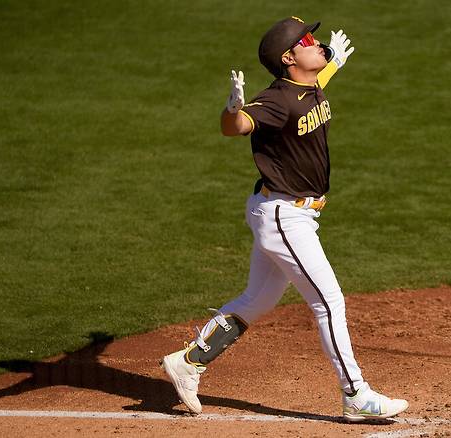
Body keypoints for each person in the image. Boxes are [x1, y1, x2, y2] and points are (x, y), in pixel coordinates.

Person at [162, 16, 409, 422]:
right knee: (329, 302)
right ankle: (355, 394)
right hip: (284, 217)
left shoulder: (307, 86)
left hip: (284, 213)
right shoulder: (276, 100)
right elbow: (237, 127)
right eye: (307, 40)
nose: (317, 43)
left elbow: (314, 85)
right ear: (289, 57)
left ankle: (189, 362)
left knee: (257, 300)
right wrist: (231, 110)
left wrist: (333, 64)